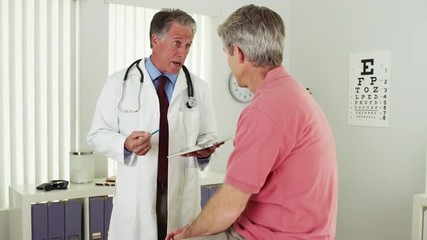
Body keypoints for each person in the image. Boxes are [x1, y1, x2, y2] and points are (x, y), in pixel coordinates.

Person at [167, 4, 338, 240]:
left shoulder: (265, 109)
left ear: (238, 53)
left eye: (226, 54)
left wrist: (187, 234)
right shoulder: (293, 93)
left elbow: (229, 206)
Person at [87, 8, 220, 240]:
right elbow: (97, 134)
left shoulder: (198, 88)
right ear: (155, 40)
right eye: (177, 43)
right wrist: (125, 144)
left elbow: (209, 136)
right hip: (136, 196)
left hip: (181, 194)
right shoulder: (118, 83)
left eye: (188, 45)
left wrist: (205, 151)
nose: (183, 52)